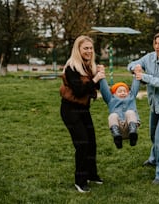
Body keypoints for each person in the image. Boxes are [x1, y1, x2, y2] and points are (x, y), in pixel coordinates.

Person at [127, 31, 159, 185]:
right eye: (156, 43)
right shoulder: (149, 57)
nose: (157, 46)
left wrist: (144, 77)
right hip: (154, 104)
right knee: (153, 136)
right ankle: (154, 158)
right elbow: (131, 64)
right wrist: (135, 67)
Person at [59, 35, 106, 193]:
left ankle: (91, 174)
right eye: (85, 48)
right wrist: (95, 80)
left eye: (91, 48)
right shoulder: (71, 67)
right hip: (70, 110)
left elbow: (95, 87)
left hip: (83, 109)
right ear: (78, 50)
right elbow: (79, 91)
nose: (89, 51)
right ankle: (80, 181)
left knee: (91, 142)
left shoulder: (88, 66)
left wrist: (99, 74)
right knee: (82, 143)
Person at [99, 76, 141, 149]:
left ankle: (133, 136)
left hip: (130, 127)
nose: (123, 93)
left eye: (125, 91)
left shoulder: (131, 97)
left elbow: (135, 86)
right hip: (118, 128)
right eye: (120, 91)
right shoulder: (110, 99)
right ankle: (117, 138)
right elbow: (104, 89)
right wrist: (102, 77)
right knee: (113, 115)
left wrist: (136, 74)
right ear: (114, 93)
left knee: (130, 112)